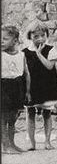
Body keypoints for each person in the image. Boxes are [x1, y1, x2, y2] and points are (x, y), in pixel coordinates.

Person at [22, 21, 57, 151]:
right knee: (30, 113)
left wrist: (39, 54)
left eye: (42, 35)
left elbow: (49, 66)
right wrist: (26, 91)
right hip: (32, 87)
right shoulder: (24, 53)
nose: (40, 39)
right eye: (36, 36)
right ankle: (32, 143)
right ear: (30, 37)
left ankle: (47, 141)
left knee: (47, 114)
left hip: (47, 87)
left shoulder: (51, 49)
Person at [2, 25, 30, 154]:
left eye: (5, 39)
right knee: (3, 117)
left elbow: (26, 74)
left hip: (17, 86)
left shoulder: (21, 55)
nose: (1, 41)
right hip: (3, 86)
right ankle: (6, 145)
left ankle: (12, 143)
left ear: (15, 41)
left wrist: (28, 91)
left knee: (13, 117)